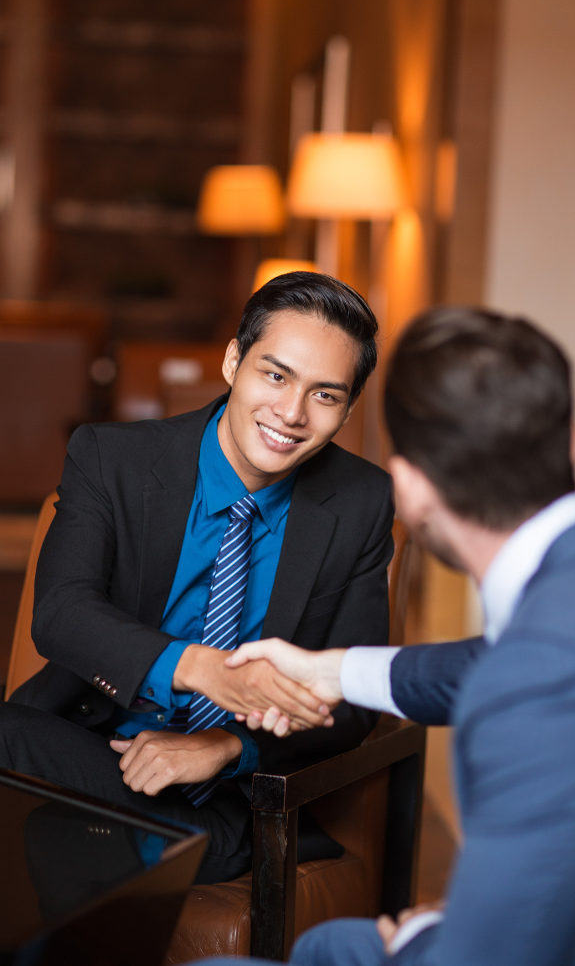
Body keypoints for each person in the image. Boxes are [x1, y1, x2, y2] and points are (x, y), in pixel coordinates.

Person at [191, 306, 575, 965]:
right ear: (570, 441)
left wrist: (421, 935)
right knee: (332, 944)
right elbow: (506, 661)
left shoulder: (539, 689)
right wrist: (331, 671)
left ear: (410, 488)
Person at [0, 271, 394, 882]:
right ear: (234, 362)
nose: (290, 414)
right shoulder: (114, 459)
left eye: (325, 395)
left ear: (346, 410)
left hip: (230, 803)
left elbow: (354, 697)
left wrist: (228, 748)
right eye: (276, 375)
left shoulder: (361, 501)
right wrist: (201, 671)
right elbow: (61, 611)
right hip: (94, 760)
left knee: (52, 846)